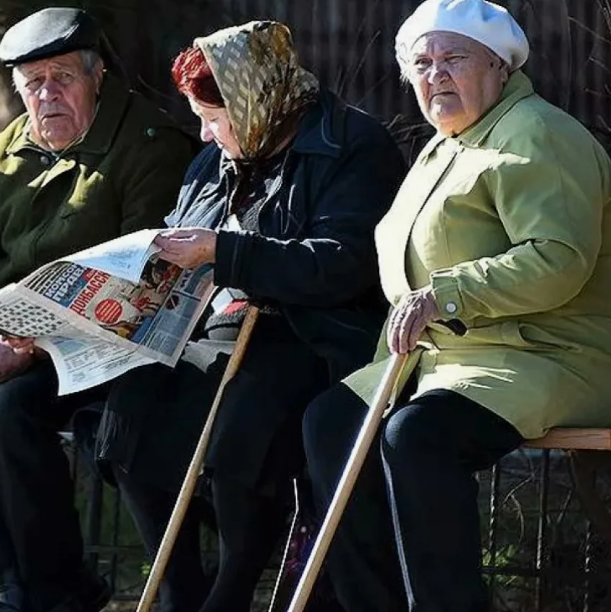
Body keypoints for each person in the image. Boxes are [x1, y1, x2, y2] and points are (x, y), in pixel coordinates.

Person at [301, 1, 611, 611]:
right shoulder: (444, 146)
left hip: (556, 354)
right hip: (455, 362)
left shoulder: (535, 134)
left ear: (500, 66)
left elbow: (557, 258)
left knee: (418, 436)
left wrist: (446, 294)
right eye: (422, 63)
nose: (436, 74)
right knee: (332, 423)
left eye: (453, 58)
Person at [93, 21, 407, 612]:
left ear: (255, 99)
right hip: (216, 330)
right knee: (130, 407)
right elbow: (180, 229)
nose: (206, 135)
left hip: (313, 335)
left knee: (243, 418)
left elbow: (343, 265)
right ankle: (180, 593)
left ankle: (231, 590)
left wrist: (223, 252)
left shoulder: (351, 145)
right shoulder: (217, 158)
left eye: (215, 118)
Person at [0, 8, 196, 612]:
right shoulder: (6, 151)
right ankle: (10, 579)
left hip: (111, 347)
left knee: (10, 412)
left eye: (63, 78)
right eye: (33, 84)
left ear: (98, 75)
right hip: (14, 347)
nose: (47, 95)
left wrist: (28, 351)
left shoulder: (148, 146)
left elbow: (141, 280)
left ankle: (55, 590)